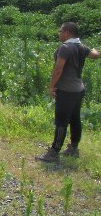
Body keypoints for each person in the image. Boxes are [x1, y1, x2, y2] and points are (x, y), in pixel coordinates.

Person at [36, 22, 99, 163]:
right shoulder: (82, 47)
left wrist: (51, 86)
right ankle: (73, 148)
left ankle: (54, 152)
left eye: (61, 31)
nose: (59, 33)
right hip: (79, 89)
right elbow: (94, 55)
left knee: (61, 121)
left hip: (66, 90)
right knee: (75, 119)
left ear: (68, 33)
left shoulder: (65, 48)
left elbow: (58, 69)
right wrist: (96, 51)